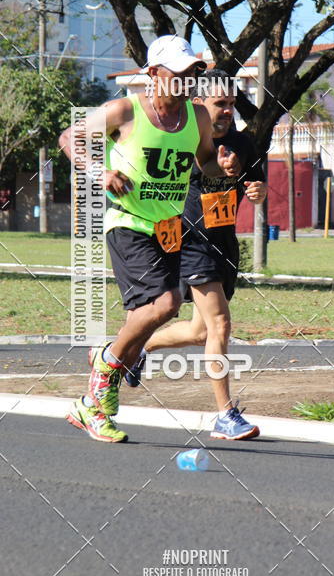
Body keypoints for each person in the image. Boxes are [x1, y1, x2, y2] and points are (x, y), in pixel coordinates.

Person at [59, 37, 240, 442]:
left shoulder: (198, 118)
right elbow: (71, 138)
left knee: (149, 317)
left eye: (193, 72)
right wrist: (99, 174)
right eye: (179, 72)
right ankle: (105, 370)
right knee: (166, 303)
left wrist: (221, 164)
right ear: (155, 73)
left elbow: (204, 159)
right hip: (128, 222)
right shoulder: (125, 110)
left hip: (169, 228)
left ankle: (92, 404)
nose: (188, 80)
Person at [144, 70, 267, 440]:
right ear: (199, 104)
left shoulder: (243, 143)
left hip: (224, 243)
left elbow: (253, 183)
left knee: (200, 331)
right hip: (188, 241)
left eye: (231, 103)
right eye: (220, 103)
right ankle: (225, 415)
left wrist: (258, 190)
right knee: (220, 326)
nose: (228, 110)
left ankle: (134, 345)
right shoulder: (179, 140)